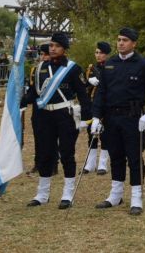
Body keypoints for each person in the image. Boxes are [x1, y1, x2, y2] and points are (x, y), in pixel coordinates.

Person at [91, 27, 145, 215]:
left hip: (133, 118)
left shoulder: (143, 64)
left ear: (134, 43)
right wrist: (96, 117)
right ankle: (115, 195)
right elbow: (101, 93)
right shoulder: (110, 64)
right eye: (119, 39)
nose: (121, 43)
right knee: (115, 155)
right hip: (111, 118)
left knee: (134, 157)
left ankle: (136, 197)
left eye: (125, 40)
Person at [22, 33, 92, 209]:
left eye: (57, 46)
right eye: (51, 45)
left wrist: (86, 118)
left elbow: (83, 95)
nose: (52, 48)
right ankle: (42, 194)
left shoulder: (73, 69)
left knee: (67, 153)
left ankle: (67, 194)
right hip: (44, 116)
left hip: (65, 115)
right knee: (45, 154)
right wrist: (19, 102)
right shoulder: (40, 68)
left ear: (64, 48)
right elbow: (34, 92)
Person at [83, 41, 111, 175]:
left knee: (106, 135)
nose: (98, 55)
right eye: (97, 52)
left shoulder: (111, 68)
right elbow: (82, 85)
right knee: (91, 134)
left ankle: (103, 164)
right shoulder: (91, 69)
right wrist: (88, 82)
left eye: (101, 53)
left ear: (106, 54)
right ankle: (90, 164)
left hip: (107, 105)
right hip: (92, 105)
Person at [26, 44, 52, 175]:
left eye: (45, 54)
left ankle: (53, 164)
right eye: (41, 54)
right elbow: (32, 91)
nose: (43, 57)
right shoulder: (36, 70)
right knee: (38, 137)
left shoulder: (56, 69)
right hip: (38, 109)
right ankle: (38, 163)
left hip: (51, 109)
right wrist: (23, 100)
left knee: (51, 138)